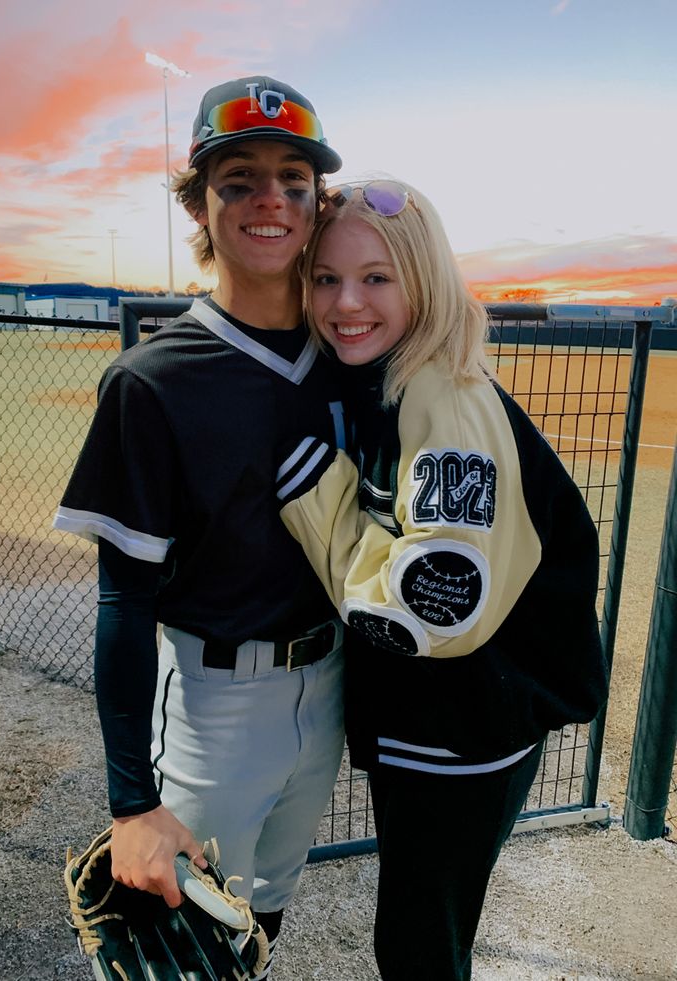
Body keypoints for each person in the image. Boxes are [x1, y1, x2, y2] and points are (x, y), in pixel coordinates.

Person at [276, 179, 610, 981]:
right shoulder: (396, 377)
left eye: (376, 277)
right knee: (425, 935)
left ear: (424, 281)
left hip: (460, 730)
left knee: (420, 947)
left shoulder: (441, 393)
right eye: (325, 278)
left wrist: (314, 497)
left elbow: (434, 609)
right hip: (450, 724)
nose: (345, 301)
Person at [53, 76, 347, 977]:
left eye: (294, 178)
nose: (271, 198)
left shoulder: (352, 351)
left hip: (329, 679)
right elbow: (123, 597)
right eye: (238, 177)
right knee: (187, 946)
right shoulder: (151, 380)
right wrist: (131, 803)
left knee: (260, 922)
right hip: (218, 702)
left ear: (315, 201)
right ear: (198, 201)